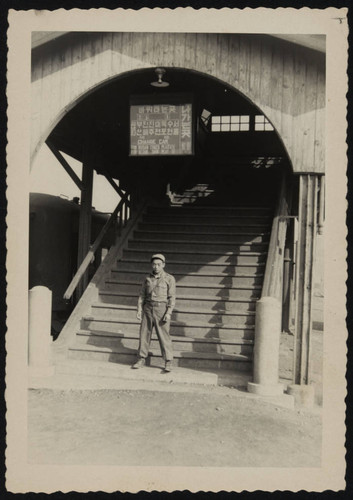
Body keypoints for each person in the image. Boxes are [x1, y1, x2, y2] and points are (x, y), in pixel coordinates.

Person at [132, 253, 176, 372]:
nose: (156, 267)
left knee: (163, 335)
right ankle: (141, 358)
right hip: (148, 308)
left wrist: (168, 312)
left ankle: (168, 361)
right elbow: (142, 295)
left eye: (158, 264)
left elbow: (172, 297)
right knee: (144, 334)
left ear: (163, 265)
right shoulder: (147, 278)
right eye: (154, 264)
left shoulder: (169, 278)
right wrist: (139, 309)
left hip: (161, 309)